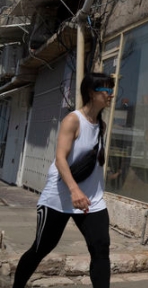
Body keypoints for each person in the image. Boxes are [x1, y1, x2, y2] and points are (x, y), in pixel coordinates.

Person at [13, 73, 115, 288]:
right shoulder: (73, 120)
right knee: (41, 248)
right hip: (60, 196)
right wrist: (74, 190)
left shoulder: (100, 124)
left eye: (111, 90)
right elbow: (60, 159)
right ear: (91, 92)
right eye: (106, 90)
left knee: (100, 248)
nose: (111, 95)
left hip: (92, 200)